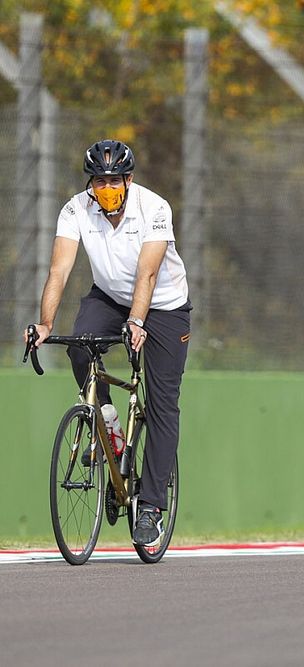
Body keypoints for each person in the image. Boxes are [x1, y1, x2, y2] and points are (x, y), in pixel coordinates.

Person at [24, 139, 191, 546]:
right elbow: (59, 270)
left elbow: (148, 275)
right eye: (99, 180)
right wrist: (45, 324)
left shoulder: (154, 208)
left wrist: (137, 321)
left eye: (114, 179)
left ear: (128, 180)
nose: (107, 187)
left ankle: (150, 506)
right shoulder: (75, 209)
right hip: (109, 296)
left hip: (164, 306)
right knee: (79, 346)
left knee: (163, 402)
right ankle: (111, 430)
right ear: (91, 184)